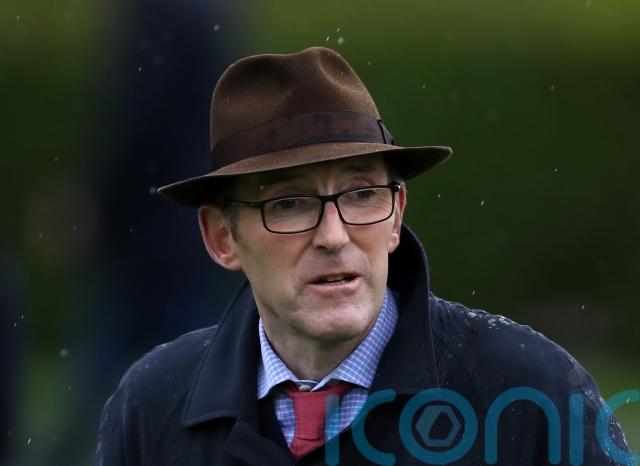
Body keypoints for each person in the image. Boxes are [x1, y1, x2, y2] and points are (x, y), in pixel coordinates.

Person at [95, 47, 633, 466]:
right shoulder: (152, 405)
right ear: (221, 238)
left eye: (362, 195)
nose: (334, 236)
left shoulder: (532, 394)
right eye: (288, 204)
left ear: (396, 217)